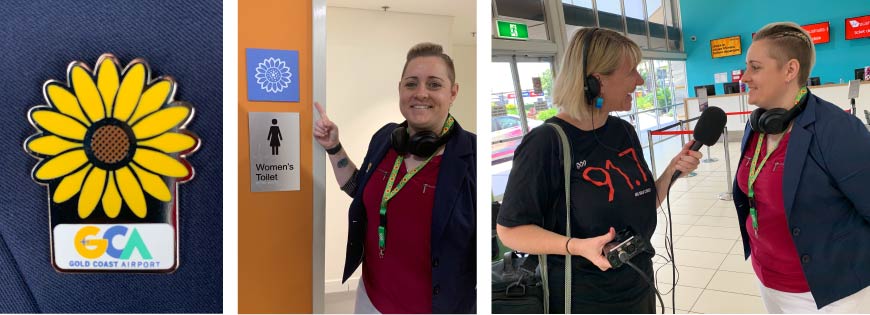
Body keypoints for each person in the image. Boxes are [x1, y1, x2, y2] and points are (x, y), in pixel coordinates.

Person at [496, 27, 702, 313]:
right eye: (631, 71)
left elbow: (643, 202)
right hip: (585, 298)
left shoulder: (623, 132)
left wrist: (671, 172)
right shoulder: (547, 143)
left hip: (638, 285)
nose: (640, 81)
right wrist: (577, 246)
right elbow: (510, 231)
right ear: (596, 82)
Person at [313, 43, 476, 314]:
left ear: (453, 92)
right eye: (411, 84)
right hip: (371, 299)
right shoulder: (385, 139)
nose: (420, 93)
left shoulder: (472, 158)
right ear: (400, 88)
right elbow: (359, 188)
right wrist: (333, 147)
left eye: (434, 84)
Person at [733, 22, 870, 313]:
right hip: (768, 278)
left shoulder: (837, 130)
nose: (745, 77)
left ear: (790, 70)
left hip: (829, 294)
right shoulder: (758, 125)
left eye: (755, 67)